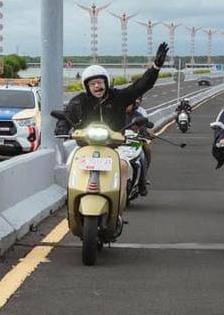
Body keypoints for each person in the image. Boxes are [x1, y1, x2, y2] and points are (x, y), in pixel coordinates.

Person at [58, 44, 169, 200]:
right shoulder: (79, 101)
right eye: (92, 83)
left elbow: (141, 86)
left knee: (123, 167)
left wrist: (155, 67)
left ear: (106, 82)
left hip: (114, 147)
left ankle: (119, 203)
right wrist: (62, 126)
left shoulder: (118, 97)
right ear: (87, 86)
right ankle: (73, 201)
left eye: (100, 82)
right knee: (71, 164)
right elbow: (67, 115)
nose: (97, 86)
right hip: (86, 147)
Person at [124, 96, 155, 195]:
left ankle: (142, 182)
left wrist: (147, 133)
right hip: (116, 142)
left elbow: (143, 128)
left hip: (133, 142)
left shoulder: (137, 115)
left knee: (142, 155)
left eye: (129, 104)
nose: (127, 106)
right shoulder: (114, 114)